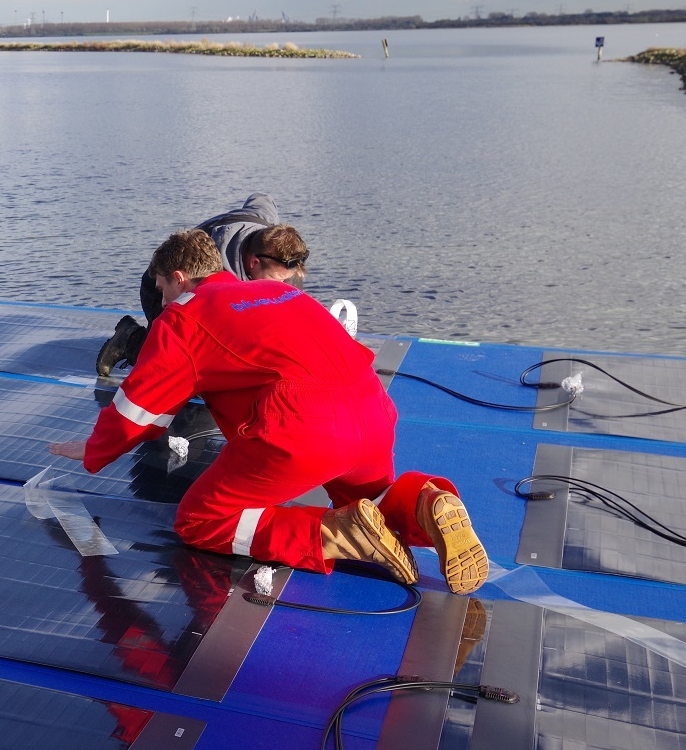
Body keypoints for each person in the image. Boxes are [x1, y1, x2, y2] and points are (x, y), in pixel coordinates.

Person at [51, 228, 489, 594]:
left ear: (179, 278)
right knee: (370, 499)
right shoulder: (276, 292)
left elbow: (140, 412)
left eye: (162, 287)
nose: (161, 300)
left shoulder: (183, 318)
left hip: (303, 428)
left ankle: (336, 534)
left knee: (201, 519)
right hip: (373, 411)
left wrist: (93, 451)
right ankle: (425, 504)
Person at [97, 192, 291, 378]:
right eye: (273, 278)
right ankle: (129, 340)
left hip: (186, 281)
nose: (277, 285)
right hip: (163, 284)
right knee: (174, 357)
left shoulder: (268, 230)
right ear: (254, 262)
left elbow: (262, 198)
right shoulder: (225, 260)